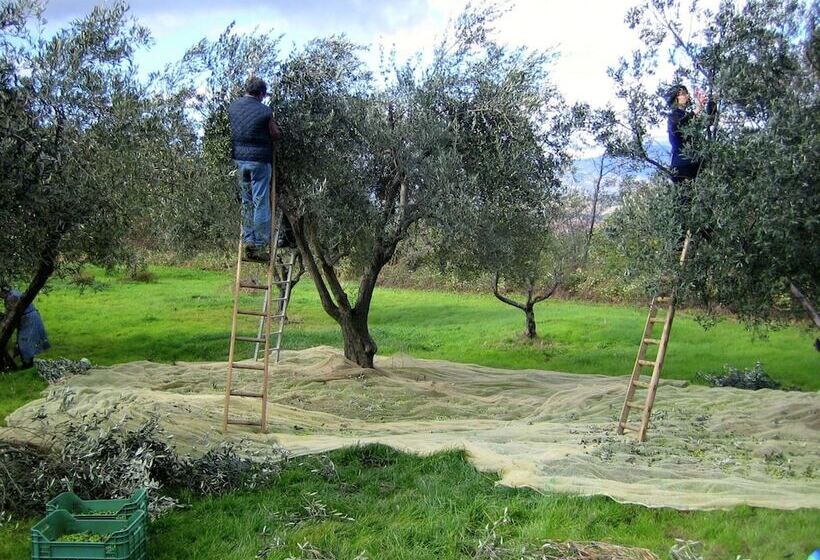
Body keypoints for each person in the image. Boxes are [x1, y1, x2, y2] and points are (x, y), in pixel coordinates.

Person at [228, 76, 286, 262]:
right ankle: (260, 246)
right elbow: (275, 134)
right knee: (261, 202)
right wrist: (279, 131)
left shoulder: (233, 107)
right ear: (261, 93)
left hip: (240, 160)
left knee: (247, 202)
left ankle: (248, 243)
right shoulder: (265, 111)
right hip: (260, 162)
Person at [666, 84, 715, 236]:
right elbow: (680, 124)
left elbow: (708, 122)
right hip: (681, 168)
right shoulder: (674, 116)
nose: (686, 95)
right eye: (682, 93)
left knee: (703, 200)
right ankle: (680, 244)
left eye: (686, 93)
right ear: (676, 98)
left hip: (695, 166)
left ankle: (706, 233)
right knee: (684, 204)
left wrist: (711, 102)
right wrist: (698, 108)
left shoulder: (688, 117)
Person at [1, 285, 50, 368]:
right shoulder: (12, 293)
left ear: (3, 292)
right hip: (28, 317)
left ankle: (27, 364)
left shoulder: (12, 297)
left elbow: (11, 314)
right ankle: (27, 363)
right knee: (25, 342)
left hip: (28, 318)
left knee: (25, 343)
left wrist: (4, 324)